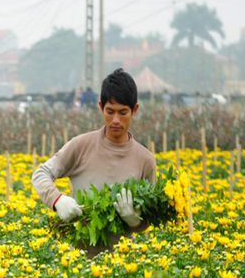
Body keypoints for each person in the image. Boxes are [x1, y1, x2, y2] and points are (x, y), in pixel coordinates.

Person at [31, 68, 156, 255]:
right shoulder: (81, 145)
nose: (115, 120)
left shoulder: (145, 160)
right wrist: (57, 200)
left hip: (124, 266)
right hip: (77, 263)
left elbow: (148, 219)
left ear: (135, 110)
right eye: (110, 111)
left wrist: (134, 221)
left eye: (123, 113)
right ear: (100, 107)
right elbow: (40, 174)